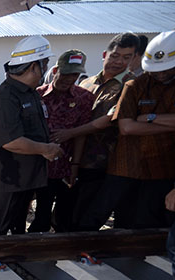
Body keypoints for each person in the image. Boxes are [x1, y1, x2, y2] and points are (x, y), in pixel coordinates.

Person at [79, 30, 175, 230]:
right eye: (157, 70)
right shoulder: (135, 86)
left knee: (150, 221)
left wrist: (151, 118)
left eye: (167, 70)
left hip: (165, 167)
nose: (161, 75)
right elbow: (127, 127)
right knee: (101, 214)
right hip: (126, 164)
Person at [50, 33, 138, 229]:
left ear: (133, 58)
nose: (119, 62)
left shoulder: (131, 86)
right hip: (72, 161)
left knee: (85, 220)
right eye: (115, 56)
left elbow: (108, 120)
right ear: (105, 54)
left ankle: (80, 257)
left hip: (103, 165)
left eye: (126, 57)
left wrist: (70, 134)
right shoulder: (86, 82)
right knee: (61, 217)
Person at [0, 35, 63, 235]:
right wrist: (46, 149)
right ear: (34, 67)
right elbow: (11, 141)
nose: (46, 69)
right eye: (45, 64)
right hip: (5, 178)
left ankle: (10, 264)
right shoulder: (6, 98)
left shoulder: (29, 93)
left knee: (15, 229)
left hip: (22, 177)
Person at [29, 50, 94, 233]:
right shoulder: (37, 95)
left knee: (65, 216)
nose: (69, 79)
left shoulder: (84, 98)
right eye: (66, 73)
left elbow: (83, 134)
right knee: (41, 213)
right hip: (41, 166)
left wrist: (75, 165)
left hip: (66, 165)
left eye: (75, 74)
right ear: (56, 70)